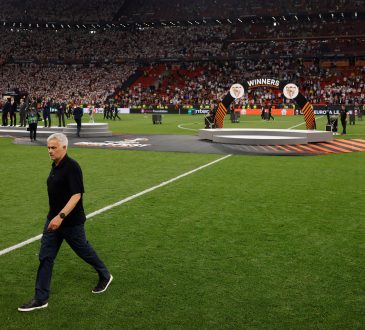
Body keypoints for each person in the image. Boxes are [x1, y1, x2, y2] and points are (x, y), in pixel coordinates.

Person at [18, 133, 113, 312]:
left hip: (70, 223)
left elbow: (76, 195)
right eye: (48, 147)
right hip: (52, 221)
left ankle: (105, 275)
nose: (50, 151)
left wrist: (60, 217)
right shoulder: (55, 166)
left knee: (84, 251)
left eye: (54, 147)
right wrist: (53, 218)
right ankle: (41, 298)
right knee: (45, 257)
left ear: (64, 147)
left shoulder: (72, 167)